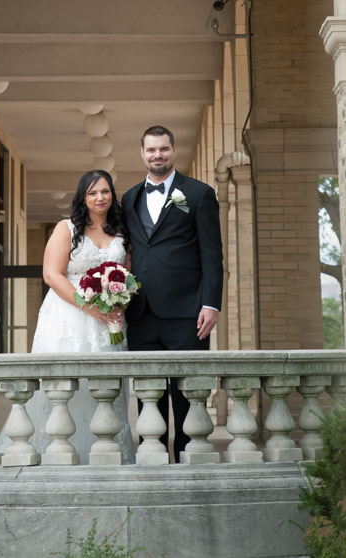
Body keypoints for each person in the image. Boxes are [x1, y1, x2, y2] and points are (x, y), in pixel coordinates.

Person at [0, 169, 135, 463]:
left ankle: (105, 452)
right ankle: (57, 453)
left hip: (108, 321)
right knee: (63, 386)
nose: (100, 197)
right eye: (92, 192)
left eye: (105, 191)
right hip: (68, 317)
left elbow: (127, 276)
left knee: (104, 387)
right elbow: (51, 274)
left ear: (112, 194)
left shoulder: (121, 233)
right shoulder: (67, 228)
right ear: (82, 198)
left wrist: (120, 304)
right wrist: (89, 307)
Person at [120, 125, 223, 456]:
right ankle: (153, 458)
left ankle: (189, 461)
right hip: (141, 312)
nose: (157, 155)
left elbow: (212, 253)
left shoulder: (198, 193)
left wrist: (211, 303)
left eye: (163, 149)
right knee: (150, 393)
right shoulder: (129, 198)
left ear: (174, 151)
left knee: (187, 393)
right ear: (142, 154)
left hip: (187, 312)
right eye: (151, 150)